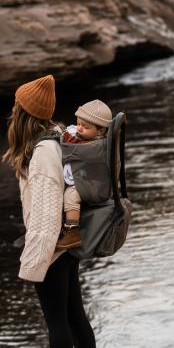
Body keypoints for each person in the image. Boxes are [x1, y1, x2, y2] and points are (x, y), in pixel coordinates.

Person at [1, 74, 109, 348]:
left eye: (16, 106)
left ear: (24, 113)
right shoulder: (56, 137)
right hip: (65, 243)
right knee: (74, 313)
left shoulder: (44, 151)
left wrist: (35, 261)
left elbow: (47, 211)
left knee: (57, 319)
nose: (12, 111)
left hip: (54, 247)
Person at [57, 99, 113, 250]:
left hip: (95, 187)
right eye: (78, 124)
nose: (80, 129)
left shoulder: (99, 145)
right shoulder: (87, 137)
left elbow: (70, 150)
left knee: (71, 195)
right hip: (87, 178)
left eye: (85, 127)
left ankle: (72, 232)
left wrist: (65, 140)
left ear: (101, 131)